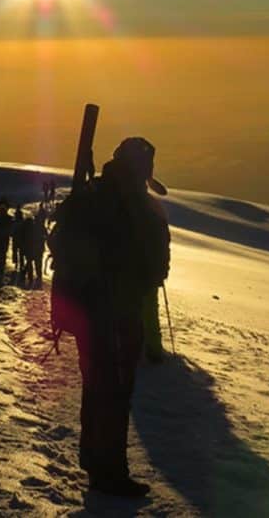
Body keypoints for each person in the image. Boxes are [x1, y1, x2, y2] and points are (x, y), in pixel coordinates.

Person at [74, 137, 170, 497]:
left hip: (87, 310)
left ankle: (92, 457)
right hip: (119, 310)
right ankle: (110, 473)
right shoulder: (132, 204)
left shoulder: (93, 194)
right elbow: (154, 266)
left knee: (94, 386)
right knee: (115, 393)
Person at [0, 198, 13, 276]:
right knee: (1, 253)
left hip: (2, 239)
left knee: (2, 253)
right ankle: (0, 267)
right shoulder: (0, 217)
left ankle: (0, 267)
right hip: (1, 238)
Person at [12, 205, 24, 273]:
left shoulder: (14, 223)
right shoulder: (22, 223)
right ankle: (21, 263)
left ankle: (16, 263)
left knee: (15, 251)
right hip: (21, 239)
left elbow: (12, 232)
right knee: (21, 253)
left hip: (16, 239)